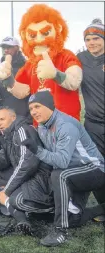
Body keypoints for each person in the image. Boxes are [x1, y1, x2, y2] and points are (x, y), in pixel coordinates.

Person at [25, 91, 105, 247]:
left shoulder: (65, 125)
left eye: (37, 106)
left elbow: (61, 161)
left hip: (94, 169)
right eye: (31, 109)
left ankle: (60, 230)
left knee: (58, 175)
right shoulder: (42, 126)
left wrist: (37, 150)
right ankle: (101, 209)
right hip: (74, 174)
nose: (33, 111)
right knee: (74, 219)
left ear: (49, 106)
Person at [0, 107, 53, 236]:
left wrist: (8, 189)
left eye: (2, 119)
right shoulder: (8, 136)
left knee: (13, 199)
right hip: (29, 177)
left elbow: (28, 163)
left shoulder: (22, 130)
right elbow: (2, 162)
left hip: (41, 178)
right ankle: (25, 218)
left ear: (13, 118)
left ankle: (51, 207)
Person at [0, 4, 82, 122]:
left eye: (45, 33)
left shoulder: (66, 56)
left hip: (66, 123)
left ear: (58, 30)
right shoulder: (30, 64)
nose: (39, 39)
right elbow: (22, 92)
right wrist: (8, 80)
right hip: (41, 125)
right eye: (32, 35)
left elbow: (74, 81)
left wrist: (56, 74)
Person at [77, 19, 105, 212]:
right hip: (93, 124)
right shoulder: (81, 58)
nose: (92, 42)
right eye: (88, 39)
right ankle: (103, 207)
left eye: (96, 38)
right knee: (97, 166)